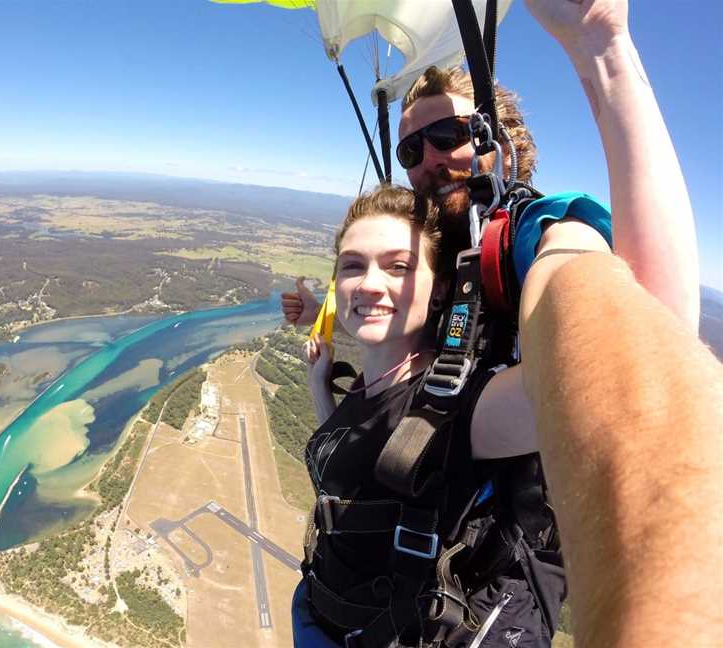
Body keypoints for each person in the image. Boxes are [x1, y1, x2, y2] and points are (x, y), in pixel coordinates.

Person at [285, 0, 701, 646]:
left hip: (476, 586)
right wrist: (325, 320)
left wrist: (605, 50)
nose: (427, 160)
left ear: (493, 139)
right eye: (411, 147)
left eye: (447, 137)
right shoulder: (436, 245)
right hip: (369, 586)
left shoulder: (520, 232)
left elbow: (650, 325)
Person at [519, 251, 723, 647]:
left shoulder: (540, 227)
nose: (372, 284)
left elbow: (573, 272)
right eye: (355, 264)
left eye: (398, 266)